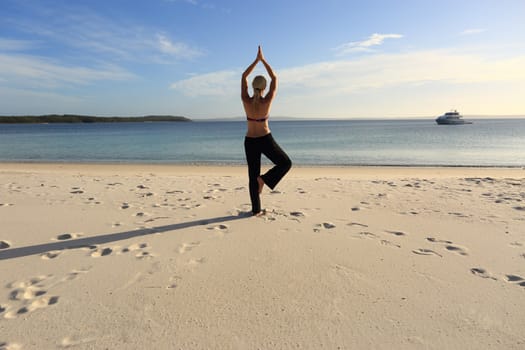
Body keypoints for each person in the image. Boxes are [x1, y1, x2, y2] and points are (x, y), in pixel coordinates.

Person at [241, 46, 292, 216]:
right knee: (285, 163)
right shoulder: (267, 100)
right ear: (263, 88)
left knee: (252, 175)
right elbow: (274, 77)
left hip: (250, 140)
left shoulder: (245, 100)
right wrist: (263, 61)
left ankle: (255, 210)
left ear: (253, 87)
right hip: (265, 138)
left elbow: (243, 77)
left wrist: (255, 61)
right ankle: (264, 180)